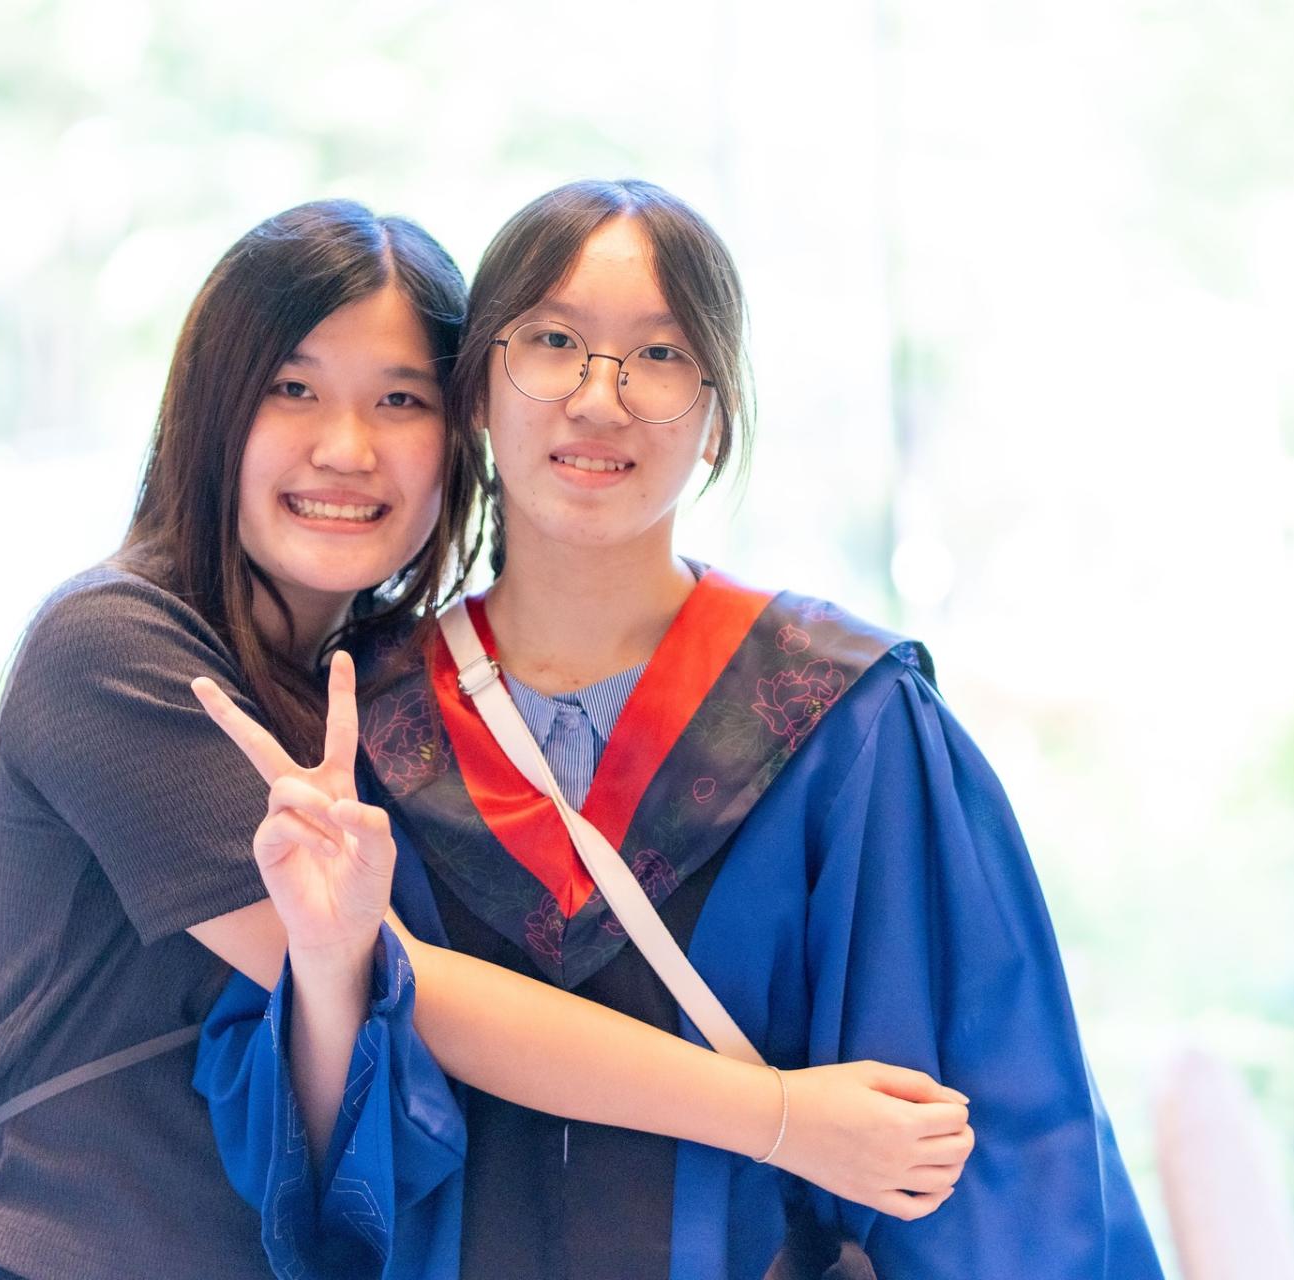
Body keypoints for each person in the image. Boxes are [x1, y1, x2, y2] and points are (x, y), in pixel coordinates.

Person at [0, 199, 968, 1280]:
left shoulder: (375, 687)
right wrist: (781, 1116)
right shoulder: (117, 650)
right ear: (210, 408)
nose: (347, 448)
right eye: (293, 388)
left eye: (398, 399)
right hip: (27, 1244)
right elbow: (402, 983)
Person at [195, 179, 1164, 1279]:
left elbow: (985, 1166)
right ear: (475, 395)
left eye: (659, 355)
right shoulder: (362, 729)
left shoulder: (842, 722)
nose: (598, 398)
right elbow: (305, 1171)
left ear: (716, 419)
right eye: (552, 341)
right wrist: (331, 971)